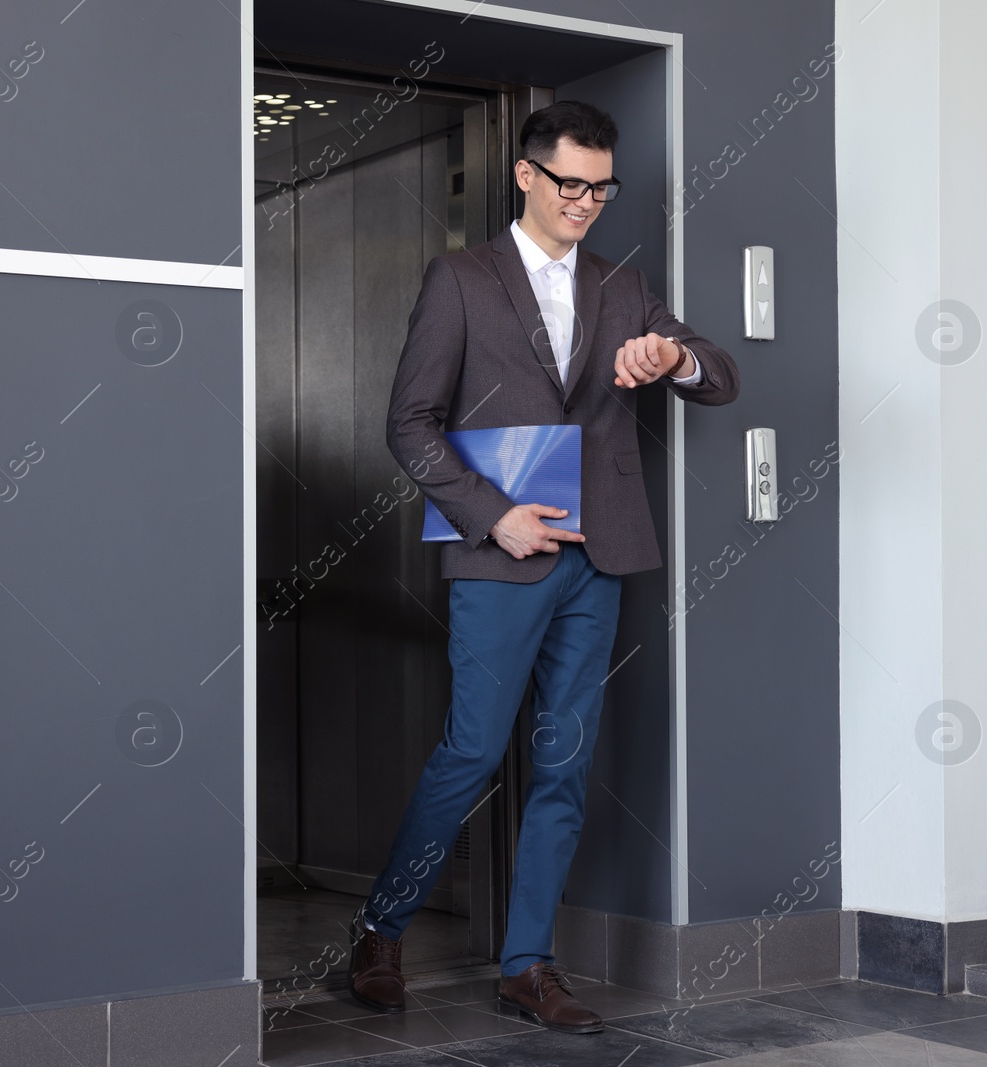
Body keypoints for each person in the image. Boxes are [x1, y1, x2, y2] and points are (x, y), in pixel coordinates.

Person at [349, 100, 740, 1033]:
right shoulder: (460, 280)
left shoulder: (624, 285)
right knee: (474, 749)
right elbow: (409, 423)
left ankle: (528, 965)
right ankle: (380, 926)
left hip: (598, 559)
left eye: (602, 188)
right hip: (500, 556)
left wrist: (674, 353)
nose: (586, 201)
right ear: (525, 175)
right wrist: (493, 516)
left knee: (563, 764)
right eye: (571, 183)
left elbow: (721, 377)